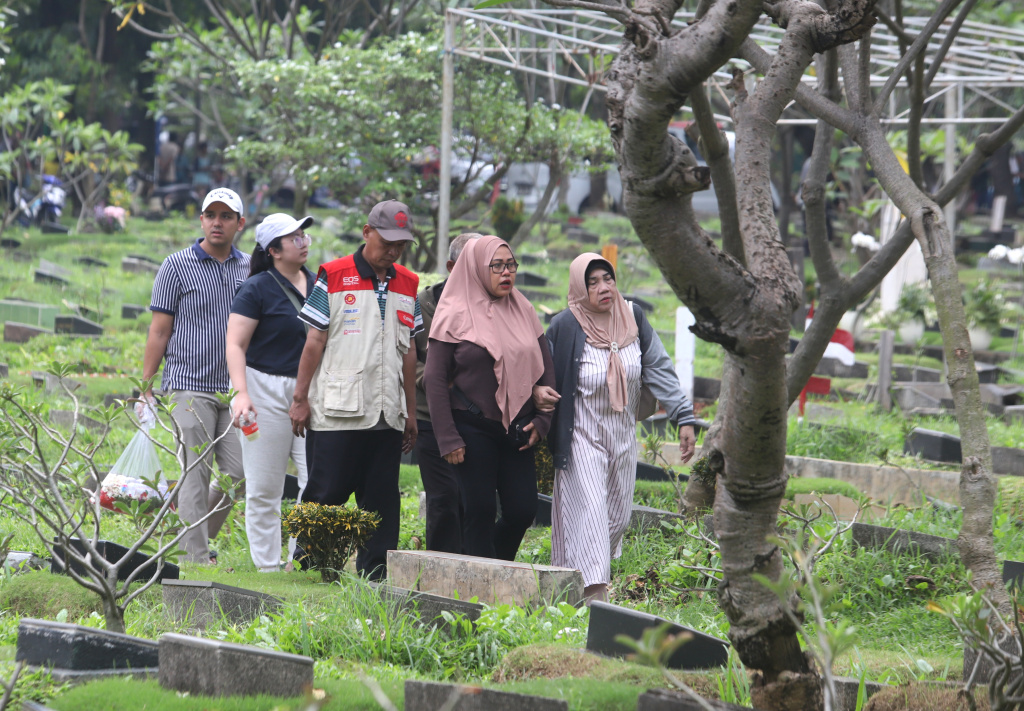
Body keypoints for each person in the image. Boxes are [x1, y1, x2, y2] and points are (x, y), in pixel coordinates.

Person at [545, 253, 696, 604]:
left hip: (623, 434)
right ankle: (597, 602)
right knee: (593, 513)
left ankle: (569, 587)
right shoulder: (565, 327)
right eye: (592, 282)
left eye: (607, 279)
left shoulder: (633, 317)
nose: (603, 288)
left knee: (617, 517)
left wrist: (683, 416)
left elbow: (658, 366)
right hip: (582, 434)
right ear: (580, 289)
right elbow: (541, 373)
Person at [288, 199, 421, 581]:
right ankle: (309, 570)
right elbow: (314, 341)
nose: (393, 251)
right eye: (387, 243)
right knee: (325, 493)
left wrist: (410, 412)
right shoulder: (333, 274)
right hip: (337, 411)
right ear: (367, 233)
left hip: (386, 414)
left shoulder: (409, 283)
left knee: (381, 502)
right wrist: (300, 399)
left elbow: (410, 350)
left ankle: (375, 576)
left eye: (401, 245)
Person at [424, 235, 555, 562]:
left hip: (517, 428)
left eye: (510, 265)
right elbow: (435, 378)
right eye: (496, 266)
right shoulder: (453, 312)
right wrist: (447, 437)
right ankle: (480, 588)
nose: (506, 273)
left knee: (523, 510)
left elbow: (545, 365)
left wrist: (542, 421)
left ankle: (492, 565)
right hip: (472, 427)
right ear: (476, 269)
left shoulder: (522, 308)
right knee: (479, 510)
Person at [140, 187, 249, 564]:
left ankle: (186, 537)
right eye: (210, 215)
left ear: (240, 223)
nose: (217, 222)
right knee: (195, 470)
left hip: (235, 389)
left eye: (226, 216)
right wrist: (146, 385)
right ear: (201, 220)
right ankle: (194, 558)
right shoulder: (176, 265)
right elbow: (158, 330)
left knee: (238, 473)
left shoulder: (249, 267)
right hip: (189, 385)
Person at [226, 213, 316, 572]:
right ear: (274, 250)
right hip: (264, 388)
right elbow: (235, 343)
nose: (304, 241)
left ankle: (301, 560)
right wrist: (241, 393)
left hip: (309, 390)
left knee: (315, 482)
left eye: (304, 235)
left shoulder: (320, 282)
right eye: (294, 238)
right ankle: (267, 565)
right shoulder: (257, 288)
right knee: (265, 486)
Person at [413, 232, 482, 553]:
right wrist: (439, 379)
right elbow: (411, 362)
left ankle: (474, 567)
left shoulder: (497, 303)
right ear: (451, 266)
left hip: (478, 419)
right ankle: (438, 570)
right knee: (443, 499)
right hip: (431, 417)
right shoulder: (424, 305)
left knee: (475, 500)